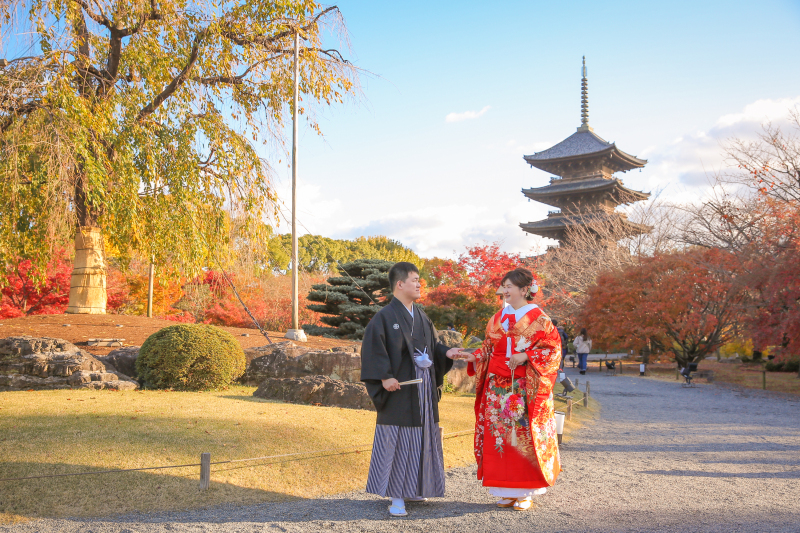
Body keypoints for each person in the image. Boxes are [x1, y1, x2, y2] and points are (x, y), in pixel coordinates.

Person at [360, 261, 462, 517]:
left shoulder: (423, 317)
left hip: (424, 387)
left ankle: (417, 487)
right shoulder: (384, 317)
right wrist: (384, 377)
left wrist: (445, 352)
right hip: (400, 388)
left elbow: (434, 346)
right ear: (400, 283)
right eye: (415, 280)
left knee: (423, 435)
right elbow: (374, 349)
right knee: (400, 438)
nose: (419, 285)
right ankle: (396, 497)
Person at [460, 268, 562, 511]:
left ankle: (525, 492)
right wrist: (473, 355)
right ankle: (505, 490)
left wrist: (526, 355)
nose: (504, 290)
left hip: (525, 388)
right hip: (497, 388)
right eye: (503, 285)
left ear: (525, 289)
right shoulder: (497, 318)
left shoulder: (541, 319)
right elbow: (487, 347)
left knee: (523, 438)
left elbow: (553, 351)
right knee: (500, 439)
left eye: (509, 286)